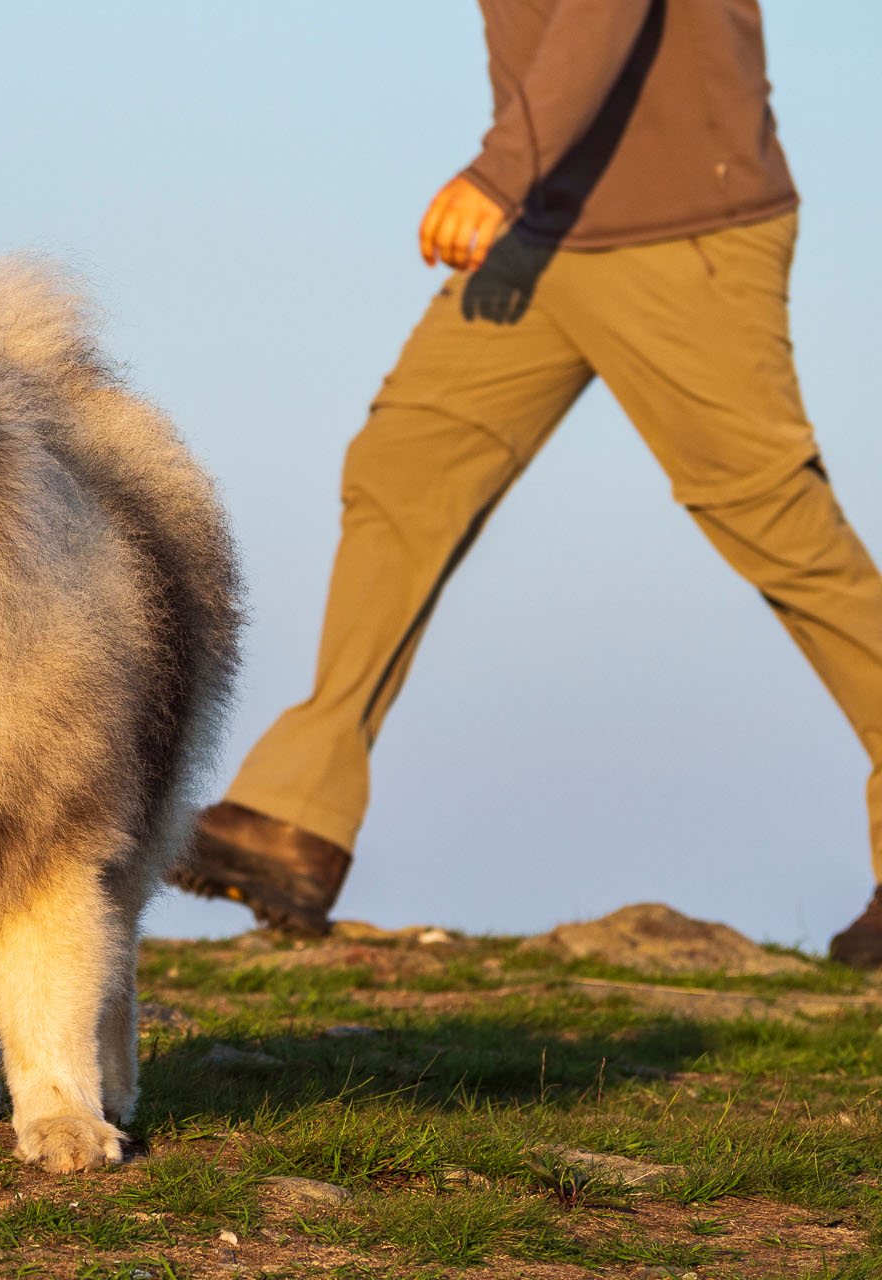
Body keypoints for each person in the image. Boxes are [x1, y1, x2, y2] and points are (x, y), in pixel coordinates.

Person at [170, 0, 882, 969]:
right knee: (406, 464)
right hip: (552, 228)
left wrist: (500, 171)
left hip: (682, 231)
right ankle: (296, 814)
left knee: (782, 529)